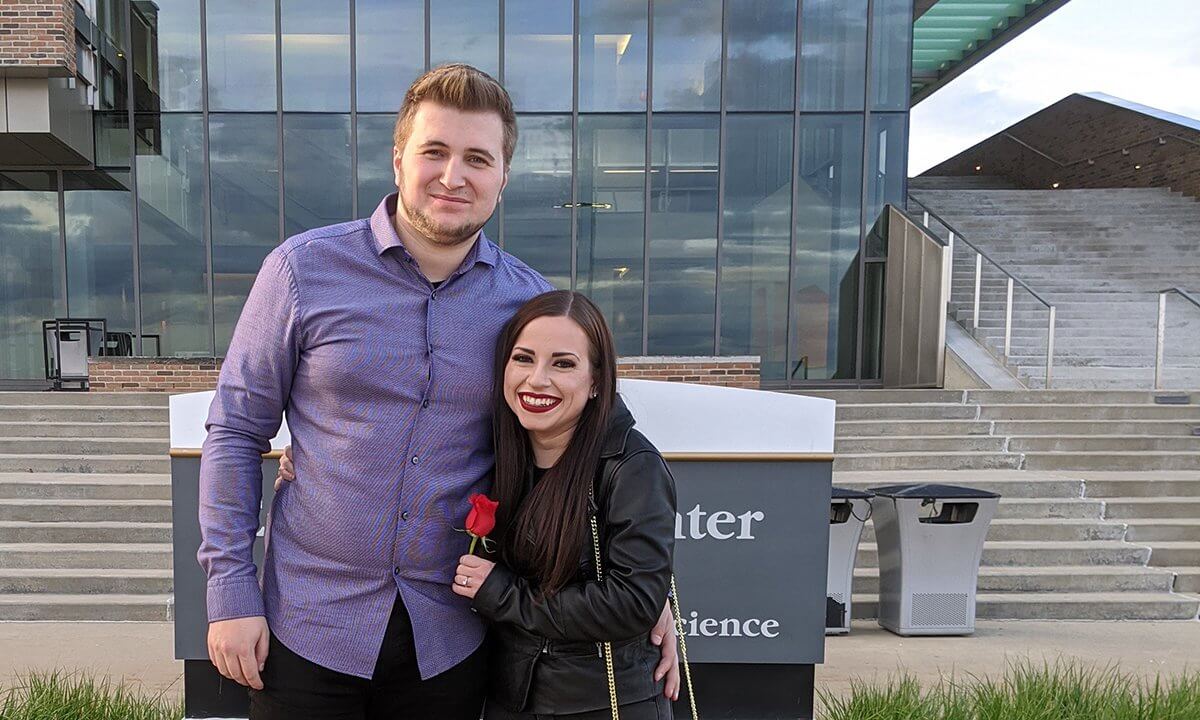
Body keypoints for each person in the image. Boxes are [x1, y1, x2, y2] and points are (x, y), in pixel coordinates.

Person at [197, 64, 676, 720]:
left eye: (478, 158)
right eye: (435, 151)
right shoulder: (301, 271)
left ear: (502, 178)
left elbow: (601, 446)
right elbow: (235, 431)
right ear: (399, 160)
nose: (453, 176)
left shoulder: (529, 304)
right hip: (305, 627)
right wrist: (231, 594)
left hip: (451, 637)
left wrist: (654, 596)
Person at [281, 290, 678, 719]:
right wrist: (317, 456)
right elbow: (410, 462)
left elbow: (634, 602)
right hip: (509, 696)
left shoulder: (630, 465)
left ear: (597, 380)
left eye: (563, 363)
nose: (537, 379)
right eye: (523, 359)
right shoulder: (499, 452)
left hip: (597, 702)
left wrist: (501, 593)